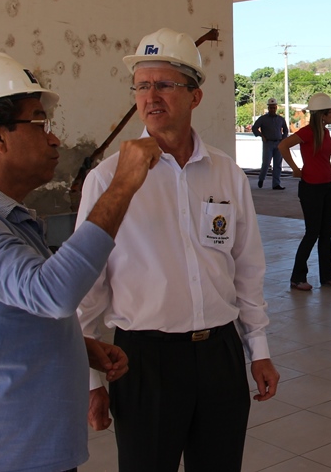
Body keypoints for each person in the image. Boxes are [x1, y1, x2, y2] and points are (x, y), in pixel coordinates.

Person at [0, 52, 162, 472]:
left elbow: (13, 314)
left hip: (33, 454)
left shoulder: (8, 219)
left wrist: (73, 347)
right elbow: (52, 293)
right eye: (39, 123)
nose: (54, 140)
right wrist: (122, 184)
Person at [77, 27, 280, 472]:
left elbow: (247, 267)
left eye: (164, 85)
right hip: (143, 362)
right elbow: (88, 284)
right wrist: (92, 379)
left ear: (195, 96)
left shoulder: (225, 173)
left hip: (220, 355)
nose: (150, 97)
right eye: (141, 86)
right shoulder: (107, 179)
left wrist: (259, 348)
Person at [278, 93, 331, 290]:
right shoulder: (307, 132)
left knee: (326, 233)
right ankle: (297, 277)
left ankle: (328, 275)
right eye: (330, 112)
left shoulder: (325, 133)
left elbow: (325, 161)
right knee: (312, 233)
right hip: (311, 188)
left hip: (326, 187)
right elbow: (283, 145)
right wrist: (295, 168)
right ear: (322, 114)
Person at [252, 97, 289, 190]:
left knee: (278, 164)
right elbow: (254, 128)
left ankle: (276, 184)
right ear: (268, 108)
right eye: (270, 108)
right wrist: (261, 135)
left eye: (274, 107)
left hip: (278, 143)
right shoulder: (263, 119)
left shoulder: (280, 119)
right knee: (266, 163)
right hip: (268, 143)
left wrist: (283, 139)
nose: (272, 109)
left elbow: (286, 130)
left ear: (276, 108)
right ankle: (261, 179)